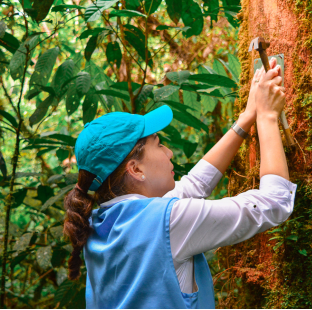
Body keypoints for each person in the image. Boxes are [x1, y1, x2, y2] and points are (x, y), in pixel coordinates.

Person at [63, 58, 297, 309]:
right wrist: (267, 117)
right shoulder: (169, 222)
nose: (169, 153)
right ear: (136, 169)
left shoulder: (99, 223)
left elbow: (193, 186)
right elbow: (274, 203)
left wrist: (247, 117)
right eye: (158, 144)